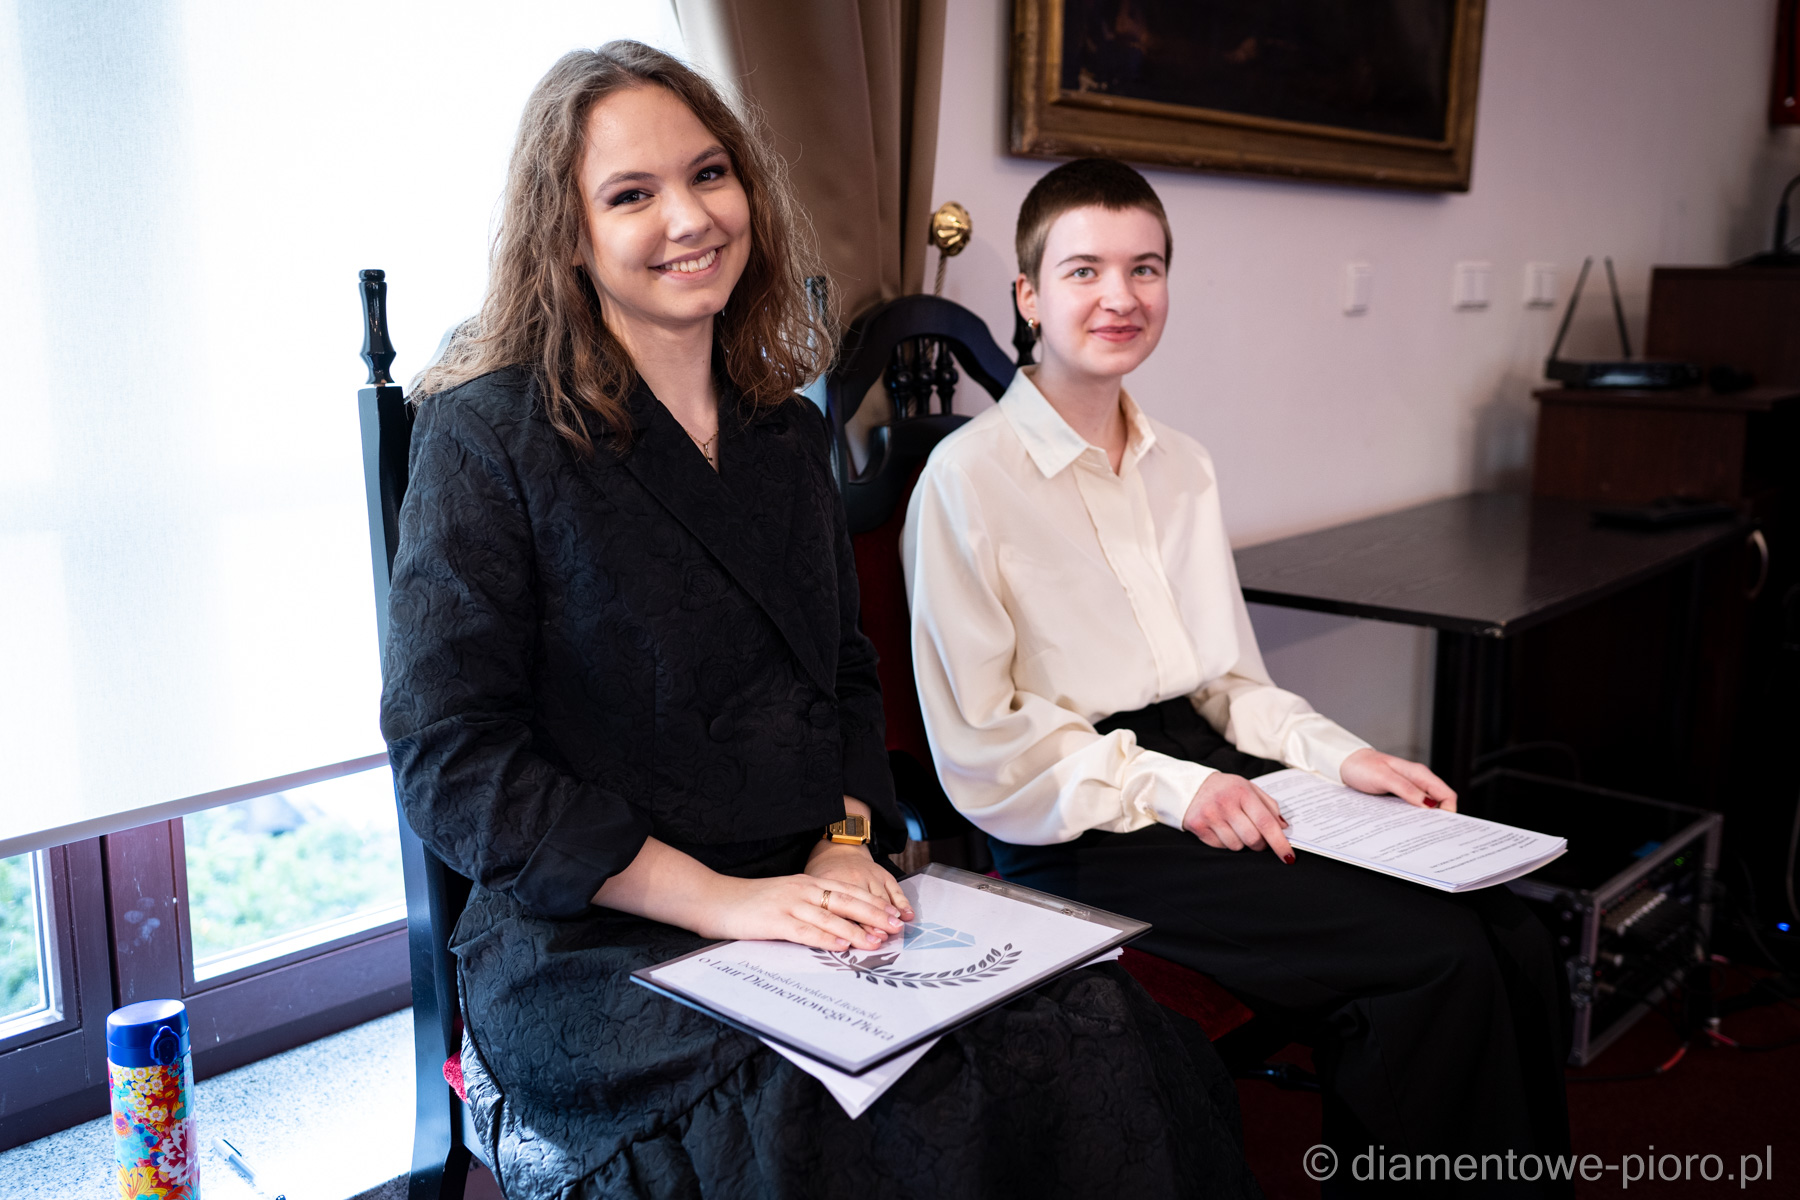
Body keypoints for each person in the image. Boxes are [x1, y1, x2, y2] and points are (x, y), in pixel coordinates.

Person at [382, 46, 1259, 1200]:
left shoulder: (783, 433)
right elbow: (452, 758)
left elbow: (843, 676)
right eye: (632, 194)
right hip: (597, 937)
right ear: (568, 233)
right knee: (853, 1120)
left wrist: (843, 845)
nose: (690, 217)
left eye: (709, 174)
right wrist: (733, 906)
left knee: (1105, 1032)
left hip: (810, 884)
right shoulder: (487, 433)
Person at [904, 158, 1573, 1192]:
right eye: (1084, 271)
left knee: (1516, 932)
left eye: (1145, 268)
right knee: (1434, 958)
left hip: (1211, 771)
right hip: (1080, 821)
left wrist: (1344, 759)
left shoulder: (1182, 463)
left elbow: (1226, 686)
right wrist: (1178, 788)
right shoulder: (966, 480)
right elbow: (989, 748)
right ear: (1029, 296)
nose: (1120, 296)